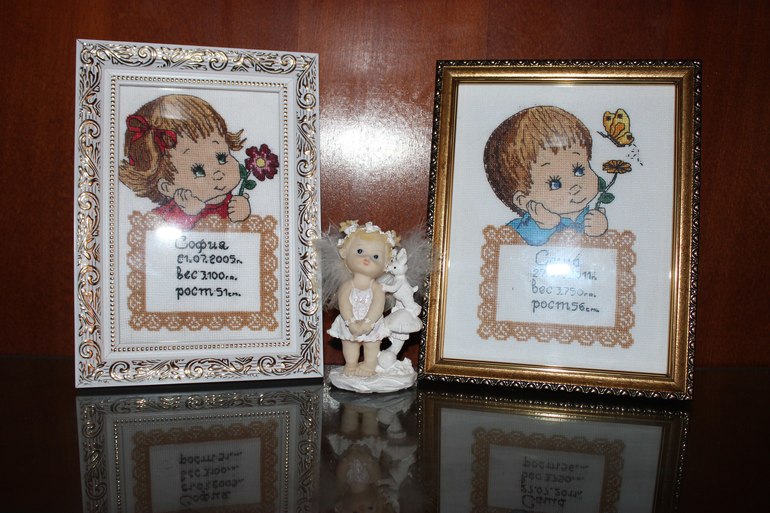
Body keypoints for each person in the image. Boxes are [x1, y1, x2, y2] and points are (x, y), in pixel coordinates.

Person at [118, 94, 251, 230]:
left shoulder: (231, 203)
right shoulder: (168, 215)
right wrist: (187, 214)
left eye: (221, 158)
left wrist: (242, 213)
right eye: (198, 171)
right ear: (167, 187)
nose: (218, 173)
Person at [484, 105, 608, 245]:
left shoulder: (590, 217)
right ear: (523, 201)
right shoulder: (523, 228)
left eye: (579, 170)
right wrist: (544, 227)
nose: (575, 187)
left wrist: (600, 227)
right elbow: (516, 246)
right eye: (555, 184)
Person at [328, 221, 399, 377]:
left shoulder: (377, 288)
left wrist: (368, 322)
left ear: (385, 264)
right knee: (349, 345)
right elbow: (344, 303)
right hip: (349, 323)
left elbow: (377, 305)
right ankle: (351, 364)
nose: (367, 258)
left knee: (372, 346)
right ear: (345, 253)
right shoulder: (347, 285)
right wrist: (350, 322)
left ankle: (369, 364)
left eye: (376, 256)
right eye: (360, 251)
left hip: (372, 324)